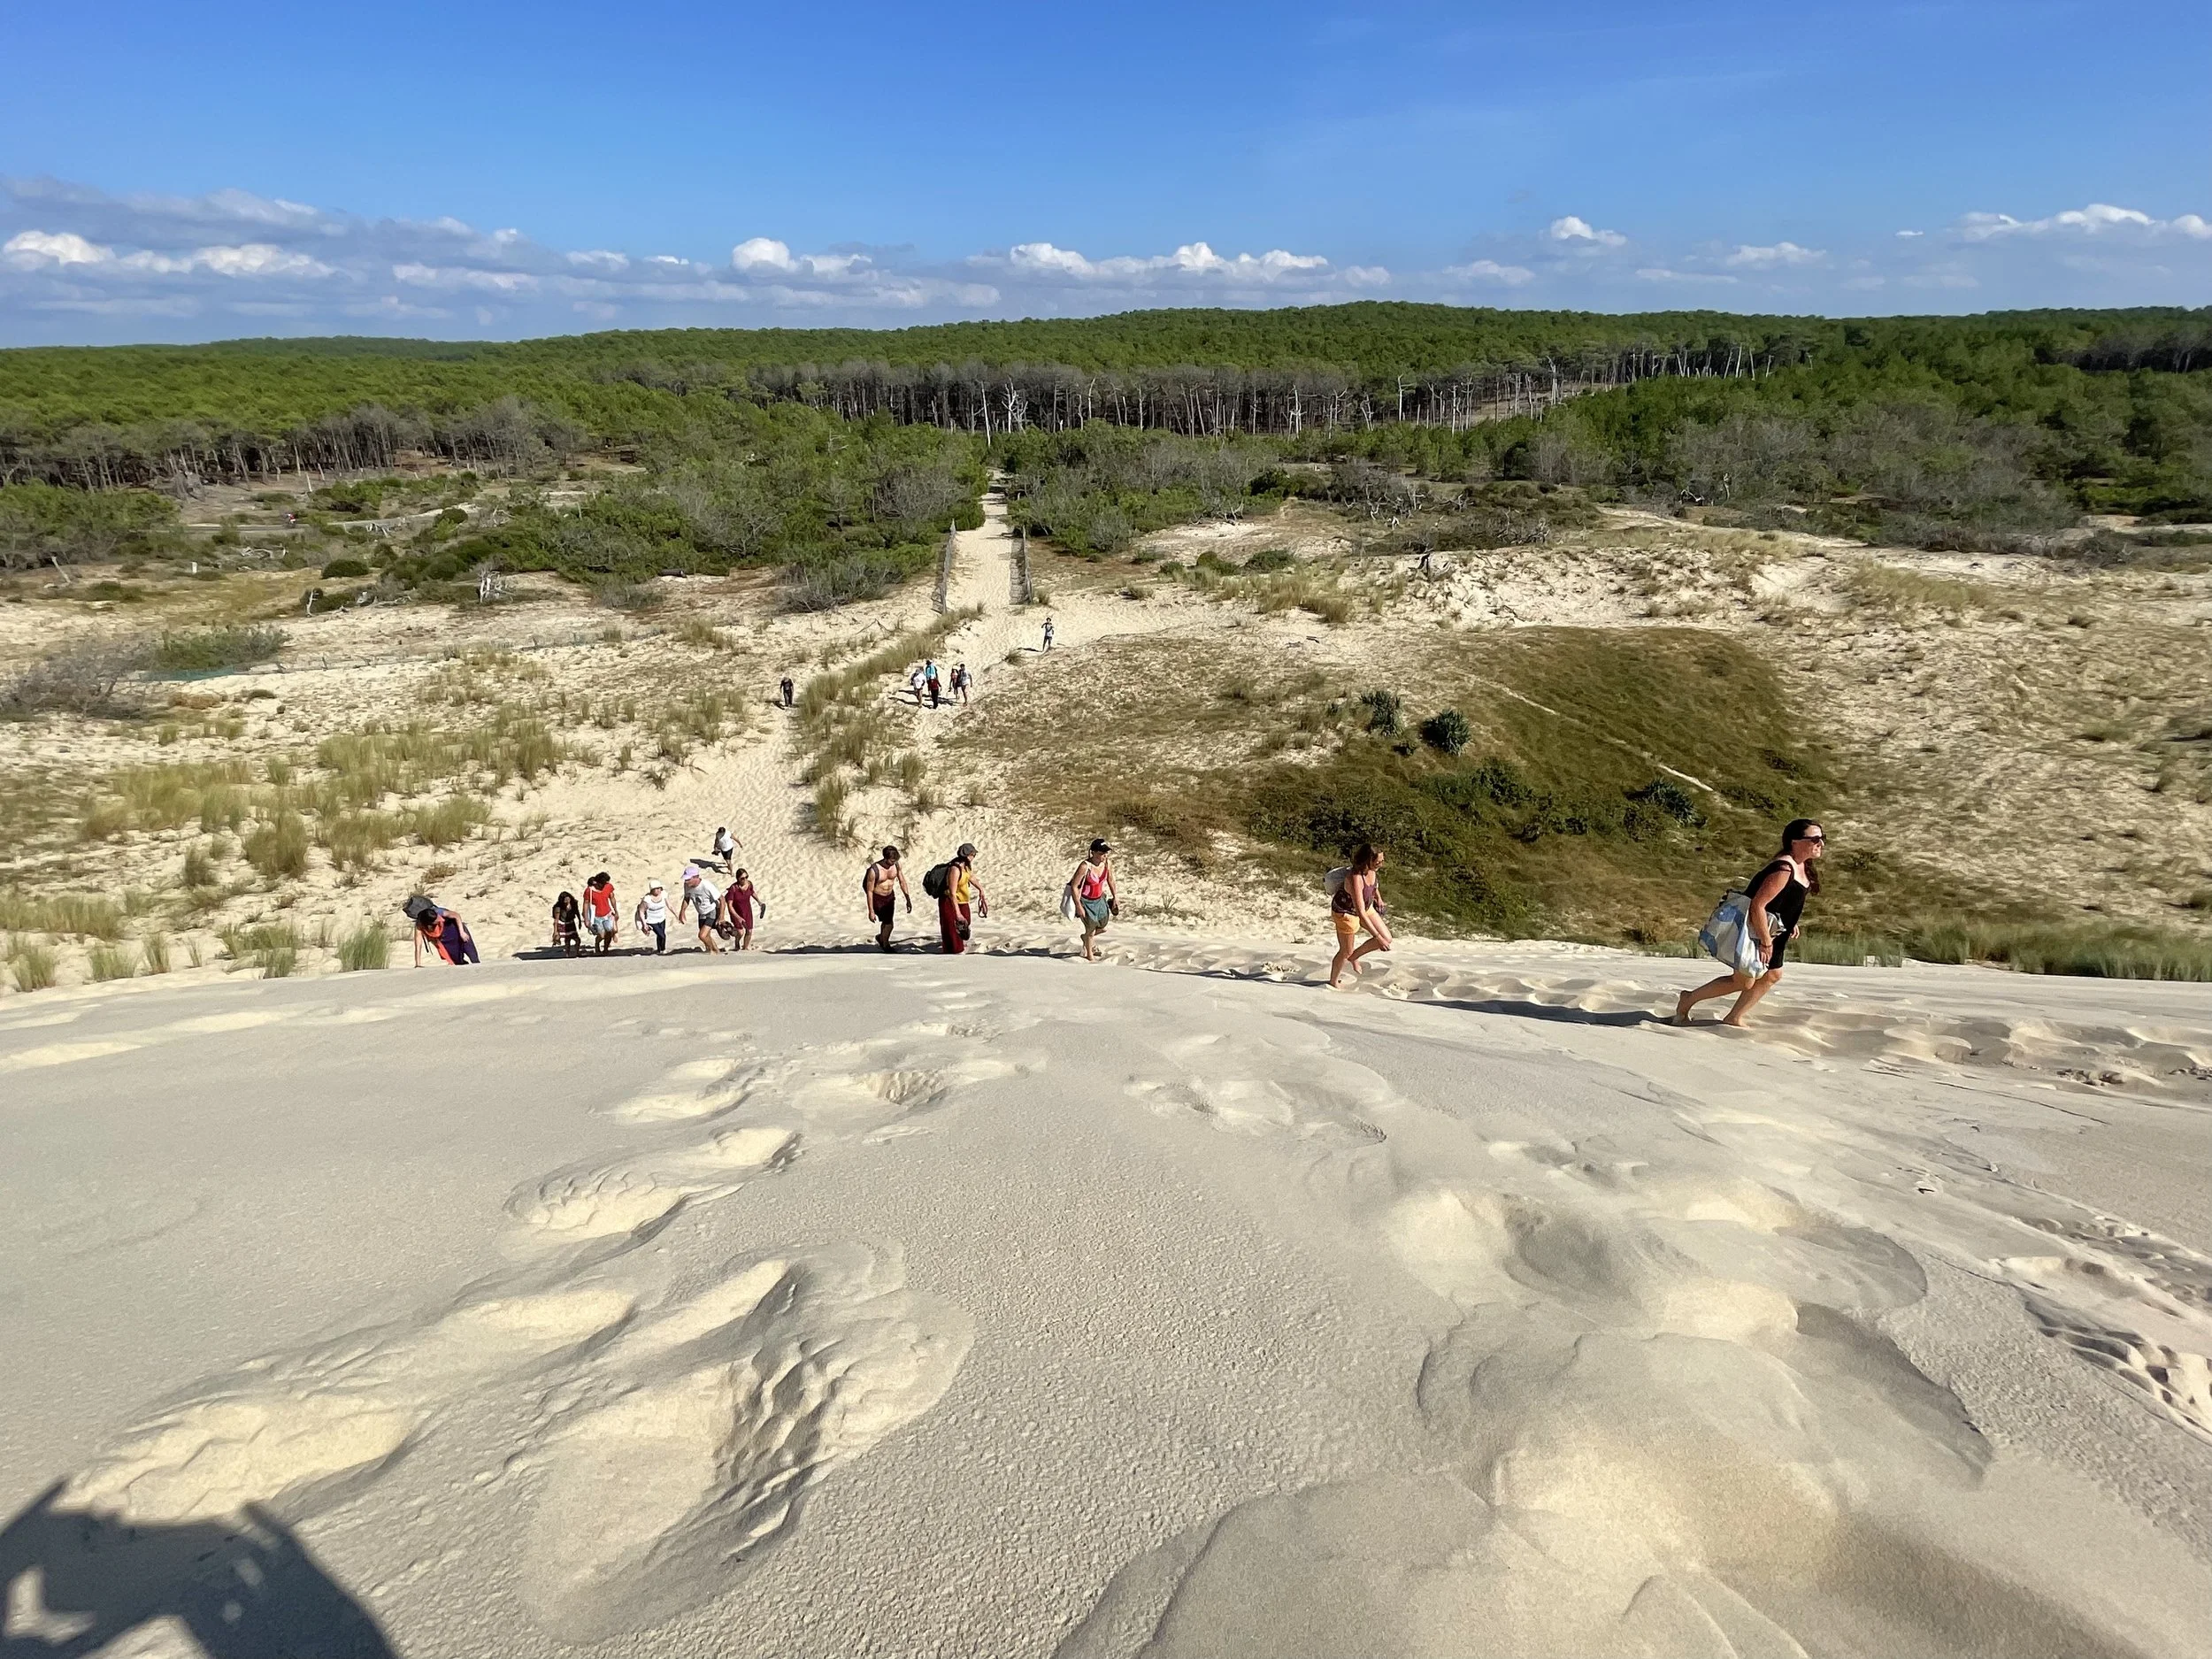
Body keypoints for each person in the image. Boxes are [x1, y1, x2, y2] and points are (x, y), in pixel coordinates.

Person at [1676, 819, 1826, 1027]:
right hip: (1757, 931)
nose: (1821, 844)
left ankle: (1734, 1017)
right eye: (1816, 839)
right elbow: (1758, 905)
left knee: (1772, 975)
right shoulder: (1784, 868)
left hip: (1776, 932)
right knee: (1743, 981)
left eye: (1822, 838)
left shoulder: (1802, 866)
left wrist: (1791, 923)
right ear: (1796, 842)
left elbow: (1784, 901)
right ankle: (1689, 999)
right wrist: (1765, 942)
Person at [1328, 843, 1392, 988]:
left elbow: (1374, 886)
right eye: (1378, 862)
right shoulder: (1355, 878)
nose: (1381, 864)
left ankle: (1354, 957)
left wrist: (1379, 899)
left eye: (1382, 861)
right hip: (1346, 912)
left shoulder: (1372, 871)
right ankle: (1333, 981)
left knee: (1387, 938)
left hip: (1367, 907)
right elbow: (1360, 912)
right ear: (1367, 860)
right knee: (1345, 950)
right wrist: (1377, 937)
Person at [1065, 839, 1118, 963]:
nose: (1104, 856)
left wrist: (1115, 896)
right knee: (1090, 929)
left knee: (1103, 926)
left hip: (1100, 899)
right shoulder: (1085, 866)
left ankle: (1085, 938)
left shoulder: (1107, 864)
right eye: (1101, 853)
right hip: (1086, 901)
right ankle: (1090, 955)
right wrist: (1078, 906)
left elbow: (1110, 880)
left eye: (1106, 853)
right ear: (1093, 852)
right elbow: (1074, 886)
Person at [939, 842, 987, 954]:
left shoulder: (965, 866)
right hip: (950, 902)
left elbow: (971, 877)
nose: (974, 857)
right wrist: (958, 913)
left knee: (965, 924)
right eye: (973, 855)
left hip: (963, 901)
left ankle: (960, 949)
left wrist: (981, 890)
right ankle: (953, 954)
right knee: (952, 930)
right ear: (967, 855)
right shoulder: (955, 869)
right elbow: (952, 893)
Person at [864, 844, 911, 950]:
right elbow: (869, 891)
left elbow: (902, 881)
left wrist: (908, 899)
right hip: (877, 897)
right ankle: (883, 940)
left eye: (895, 860)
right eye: (891, 861)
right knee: (886, 921)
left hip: (889, 897)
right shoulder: (874, 870)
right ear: (885, 858)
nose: (893, 863)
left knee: (889, 923)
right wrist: (871, 911)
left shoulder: (896, 865)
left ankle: (884, 943)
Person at [411, 900, 479, 967]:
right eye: (437, 920)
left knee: (472, 955)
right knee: (457, 961)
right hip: (445, 939)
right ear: (430, 924)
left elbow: (456, 915)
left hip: (457, 929)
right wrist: (418, 964)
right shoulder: (419, 925)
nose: (441, 919)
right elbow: (418, 945)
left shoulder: (438, 912)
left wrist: (462, 932)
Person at [680, 869, 724, 953]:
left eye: (688, 879)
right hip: (701, 913)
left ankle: (713, 950)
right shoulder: (687, 885)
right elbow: (687, 898)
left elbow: (722, 899)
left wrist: (721, 917)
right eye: (685, 879)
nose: (686, 882)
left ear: (696, 877)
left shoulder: (706, 885)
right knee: (707, 936)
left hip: (712, 911)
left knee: (702, 935)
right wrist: (682, 912)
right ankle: (716, 951)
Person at [726, 868, 766, 949]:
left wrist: (759, 902)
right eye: (742, 878)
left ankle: (745, 948)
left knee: (749, 931)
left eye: (746, 877)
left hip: (747, 910)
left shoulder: (749, 884)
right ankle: (737, 942)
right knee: (740, 932)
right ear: (738, 879)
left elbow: (752, 892)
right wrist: (738, 917)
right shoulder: (733, 888)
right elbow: (730, 905)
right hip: (736, 912)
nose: (745, 880)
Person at [582, 872, 618, 956]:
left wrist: (616, 910)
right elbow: (586, 903)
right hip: (596, 916)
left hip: (607, 913)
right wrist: (586, 918)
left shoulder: (608, 886)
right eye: (602, 884)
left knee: (609, 931)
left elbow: (612, 898)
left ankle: (605, 949)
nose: (603, 886)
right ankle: (597, 943)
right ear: (596, 882)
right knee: (601, 935)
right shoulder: (589, 891)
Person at [635, 882, 669, 954]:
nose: (658, 890)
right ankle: (663, 950)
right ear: (652, 890)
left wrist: (676, 914)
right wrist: (644, 924)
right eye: (656, 889)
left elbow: (670, 905)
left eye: (659, 888)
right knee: (662, 935)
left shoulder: (663, 894)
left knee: (660, 934)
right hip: (651, 920)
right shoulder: (647, 899)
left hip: (662, 918)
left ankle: (659, 950)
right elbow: (641, 911)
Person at [551, 890, 582, 957]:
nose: (567, 901)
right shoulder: (558, 907)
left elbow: (577, 912)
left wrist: (580, 921)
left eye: (568, 899)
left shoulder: (574, 904)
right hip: (563, 924)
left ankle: (577, 952)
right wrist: (555, 931)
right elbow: (556, 920)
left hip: (571, 923)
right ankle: (567, 954)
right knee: (567, 940)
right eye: (565, 900)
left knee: (577, 939)